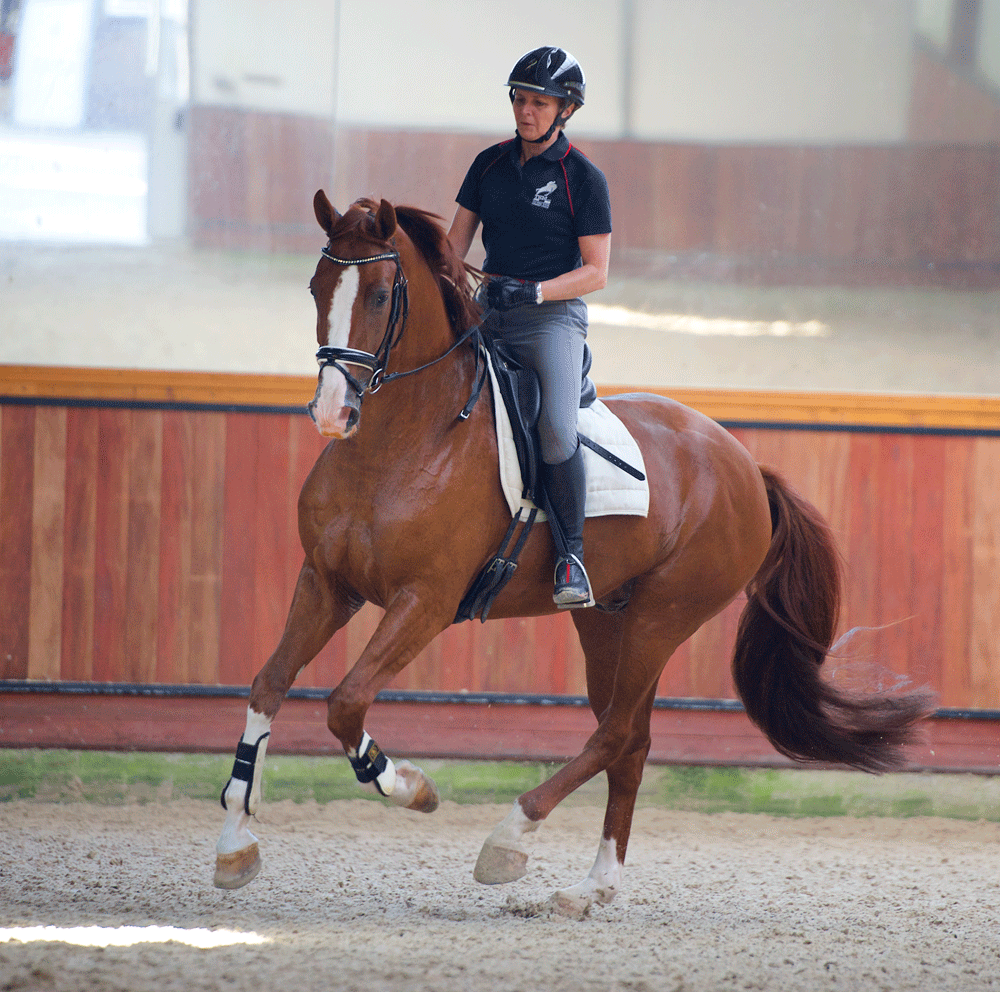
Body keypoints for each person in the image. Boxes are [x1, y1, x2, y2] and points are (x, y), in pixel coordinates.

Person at [448, 46, 612, 609]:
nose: (526, 111)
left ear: (566, 110)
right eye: (520, 99)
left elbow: (597, 272)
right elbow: (454, 249)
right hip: (489, 309)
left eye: (539, 102)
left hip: (550, 319)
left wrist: (537, 290)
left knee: (558, 434)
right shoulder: (487, 165)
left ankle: (572, 556)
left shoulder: (582, 178)